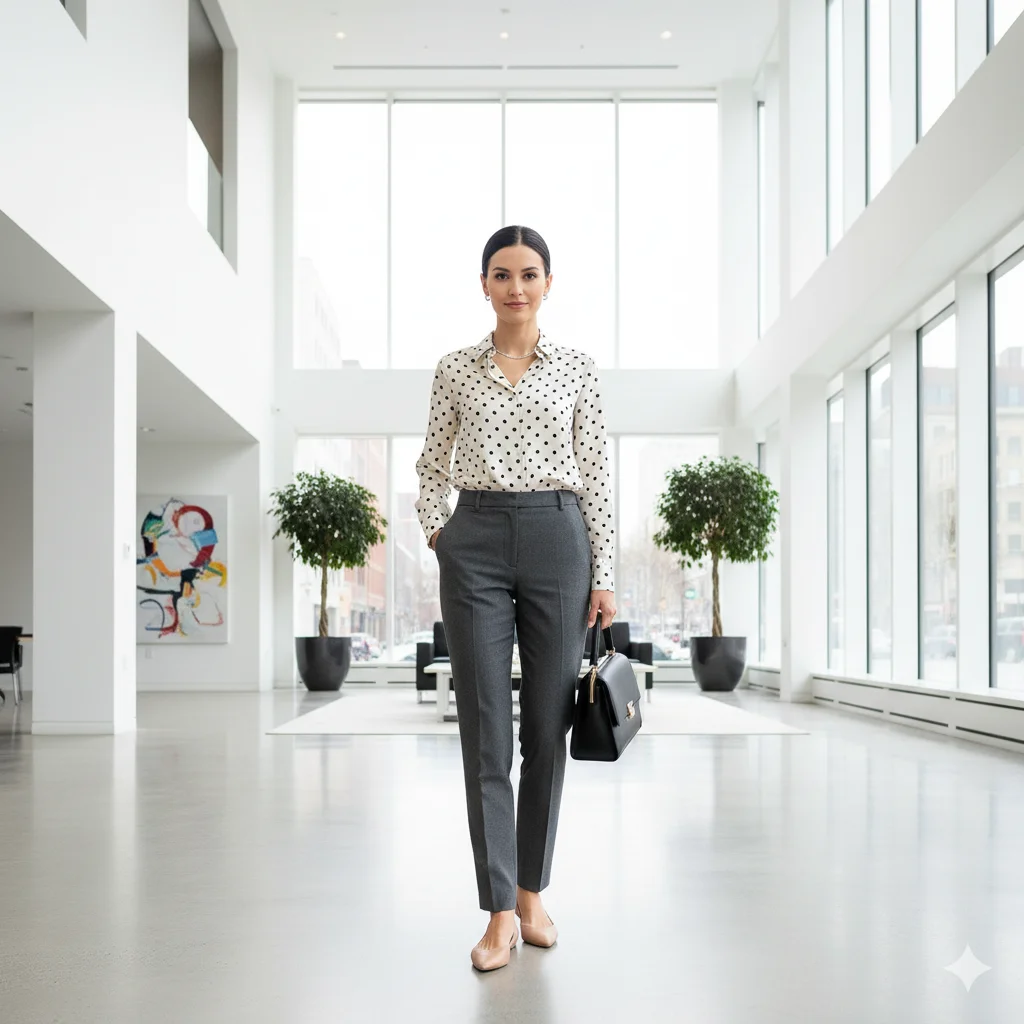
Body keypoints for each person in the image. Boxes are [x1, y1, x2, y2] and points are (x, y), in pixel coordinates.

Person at [414, 225, 616, 972]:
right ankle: (499, 908)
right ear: (485, 285)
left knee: (546, 728)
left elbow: (596, 471)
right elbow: (432, 464)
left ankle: (533, 889)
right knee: (486, 729)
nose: (517, 287)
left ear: (548, 284)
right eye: (502, 274)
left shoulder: (577, 369)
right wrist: (441, 532)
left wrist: (605, 573)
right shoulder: (455, 370)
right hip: (476, 540)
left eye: (530, 274)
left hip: (559, 538)